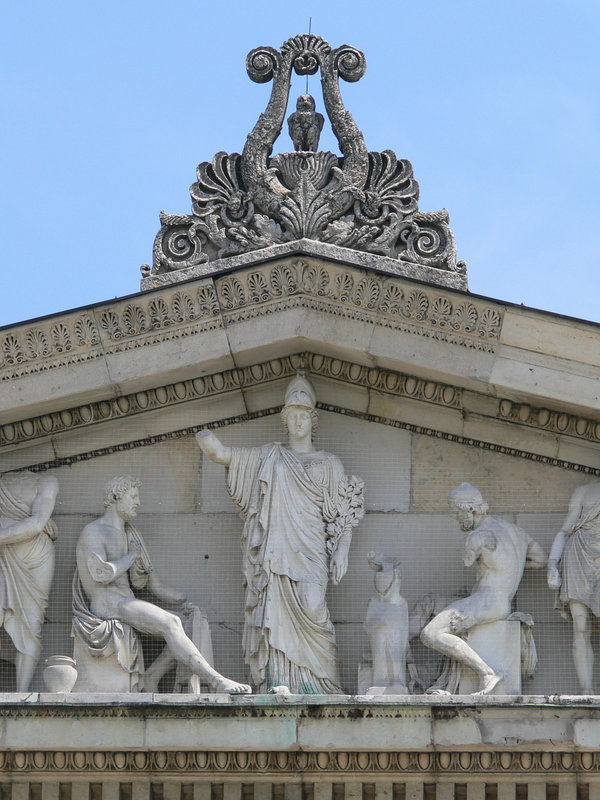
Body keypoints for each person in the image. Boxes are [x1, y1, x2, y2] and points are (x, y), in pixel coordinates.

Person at [196, 372, 364, 693]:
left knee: (313, 606)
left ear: (312, 421)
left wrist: (342, 548)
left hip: (312, 549)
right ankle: (280, 680)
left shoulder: (330, 464)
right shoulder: (269, 458)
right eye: (293, 416)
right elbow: (223, 455)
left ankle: (324, 685)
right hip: (277, 551)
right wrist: (203, 435)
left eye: (303, 416)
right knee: (274, 608)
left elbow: (343, 515)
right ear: (285, 422)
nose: (298, 422)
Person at [73, 475, 250, 694]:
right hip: (106, 604)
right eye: (133, 496)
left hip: (126, 602)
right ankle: (217, 681)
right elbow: (101, 573)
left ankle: (152, 677)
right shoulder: (94, 531)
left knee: (184, 622)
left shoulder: (131, 535)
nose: (138, 502)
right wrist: (131, 556)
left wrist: (185, 603)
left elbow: (155, 587)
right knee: (170, 622)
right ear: (116, 497)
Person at [421, 483, 546, 695]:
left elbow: (467, 561)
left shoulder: (477, 537)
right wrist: (508, 570)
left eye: (456, 512)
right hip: (502, 601)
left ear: (471, 509)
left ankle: (487, 673)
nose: (456, 518)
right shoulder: (517, 532)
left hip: (486, 600)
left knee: (430, 633)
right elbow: (541, 559)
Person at [0, 470, 59, 691]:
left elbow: (36, 524)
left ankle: (21, 694)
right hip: (6, 555)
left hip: (35, 557)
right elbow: (36, 523)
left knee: (32, 623)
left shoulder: (47, 479)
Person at [548, 480, 600, 693]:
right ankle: (586, 690)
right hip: (578, 556)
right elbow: (564, 531)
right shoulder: (583, 490)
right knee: (580, 627)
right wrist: (552, 563)